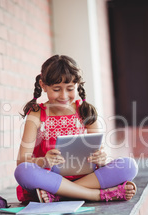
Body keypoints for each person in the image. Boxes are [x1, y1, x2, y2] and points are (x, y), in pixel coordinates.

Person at [14, 55, 138, 203]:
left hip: (84, 177)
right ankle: (97, 195)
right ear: (43, 85)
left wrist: (103, 159)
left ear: (78, 85)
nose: (64, 96)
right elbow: (22, 160)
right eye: (56, 89)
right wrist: (44, 161)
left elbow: (100, 151)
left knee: (129, 166)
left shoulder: (85, 112)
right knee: (23, 172)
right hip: (48, 178)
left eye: (70, 89)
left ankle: (60, 194)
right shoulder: (36, 114)